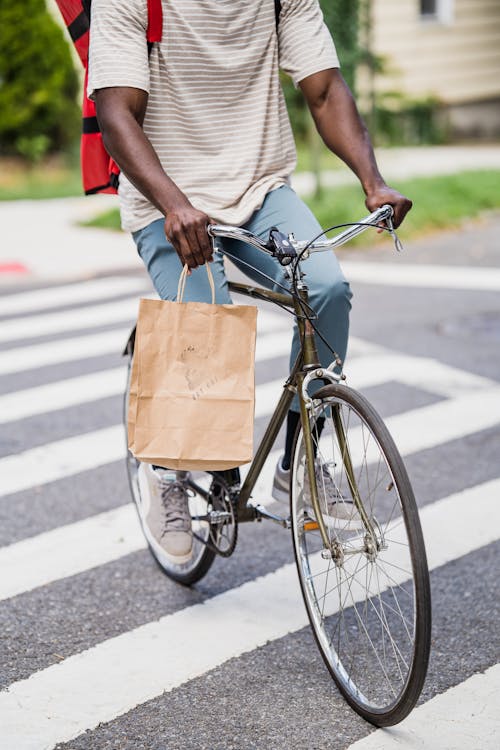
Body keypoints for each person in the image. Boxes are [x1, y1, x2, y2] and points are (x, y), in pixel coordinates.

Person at [88, 0, 412, 564]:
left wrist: (373, 180)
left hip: (260, 188)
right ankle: (166, 467)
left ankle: (301, 466)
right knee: (204, 317)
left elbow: (326, 89)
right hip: (164, 196)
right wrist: (174, 205)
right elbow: (117, 114)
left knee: (327, 288)